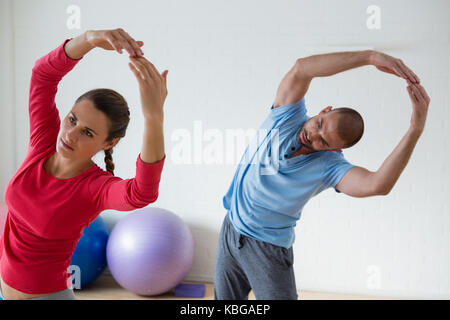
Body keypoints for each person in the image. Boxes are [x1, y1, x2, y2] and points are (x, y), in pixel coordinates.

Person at [214, 49, 430, 299]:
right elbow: (302, 68)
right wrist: (369, 57)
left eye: (323, 142)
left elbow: (377, 184)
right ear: (323, 110)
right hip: (231, 229)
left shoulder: (329, 166)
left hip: (267, 248)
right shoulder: (286, 116)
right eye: (319, 125)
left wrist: (415, 129)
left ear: (334, 149)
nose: (313, 136)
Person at [0, 28, 168, 300]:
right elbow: (42, 76)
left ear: (108, 143)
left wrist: (153, 118)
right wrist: (88, 40)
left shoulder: (95, 187)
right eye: (72, 119)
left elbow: (141, 193)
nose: (70, 134)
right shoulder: (42, 144)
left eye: (88, 133)